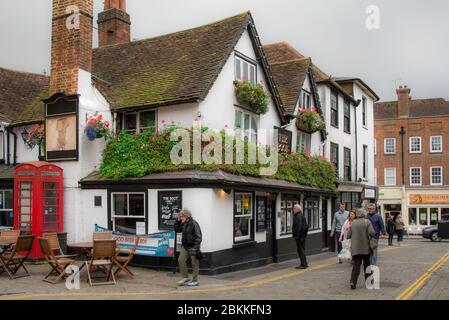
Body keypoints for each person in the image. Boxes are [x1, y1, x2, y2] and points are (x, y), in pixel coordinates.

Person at [347, 208, 375, 290]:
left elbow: (348, 235)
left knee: (356, 265)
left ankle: (353, 281)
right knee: (367, 265)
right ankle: (369, 282)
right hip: (365, 248)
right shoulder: (367, 222)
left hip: (356, 248)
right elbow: (372, 233)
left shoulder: (353, 223)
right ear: (364, 214)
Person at [174, 209, 202, 287]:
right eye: (180, 216)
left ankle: (195, 280)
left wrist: (196, 246)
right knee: (181, 260)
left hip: (193, 246)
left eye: (182, 216)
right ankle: (185, 278)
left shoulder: (194, 223)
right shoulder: (184, 223)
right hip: (185, 246)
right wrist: (178, 220)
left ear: (187, 216)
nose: (181, 218)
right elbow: (177, 230)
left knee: (194, 263)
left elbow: (198, 235)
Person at [292, 204, 309, 269]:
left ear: (298, 209)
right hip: (302, 237)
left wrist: (297, 236)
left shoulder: (298, 216)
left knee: (300, 250)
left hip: (300, 237)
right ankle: (304, 263)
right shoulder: (300, 215)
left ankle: (303, 264)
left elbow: (299, 227)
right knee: (302, 250)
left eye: (294, 208)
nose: (293, 210)